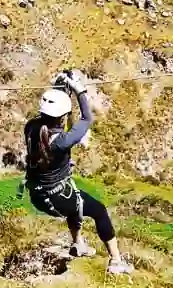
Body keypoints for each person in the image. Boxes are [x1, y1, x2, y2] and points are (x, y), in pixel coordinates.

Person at [21, 72, 132, 275]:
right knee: (98, 210)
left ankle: (78, 244)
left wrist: (59, 89)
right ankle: (116, 261)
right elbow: (87, 118)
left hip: (38, 195)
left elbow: (48, 116)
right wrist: (79, 90)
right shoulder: (62, 141)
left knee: (75, 206)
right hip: (59, 197)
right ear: (62, 117)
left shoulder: (30, 129)